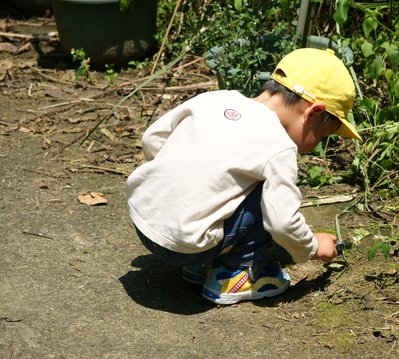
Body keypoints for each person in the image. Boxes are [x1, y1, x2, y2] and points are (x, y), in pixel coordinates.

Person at [126, 47, 361, 305]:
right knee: (264, 192)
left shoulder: (214, 99)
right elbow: (282, 221)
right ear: (313, 112)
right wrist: (313, 247)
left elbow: (152, 138)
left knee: (228, 182)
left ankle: (201, 264)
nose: (317, 144)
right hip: (187, 244)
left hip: (144, 221)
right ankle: (236, 273)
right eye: (322, 136)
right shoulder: (279, 146)